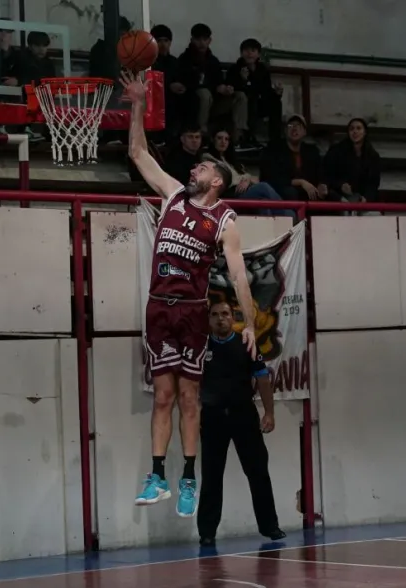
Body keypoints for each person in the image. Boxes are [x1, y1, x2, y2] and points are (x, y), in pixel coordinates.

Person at [122, 70, 258, 518]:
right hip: (158, 309)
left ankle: (188, 479)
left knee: (187, 398)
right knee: (162, 396)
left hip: (192, 313)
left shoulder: (224, 220)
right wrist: (138, 105)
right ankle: (157, 476)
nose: (194, 168)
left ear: (218, 181)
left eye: (203, 167)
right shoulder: (173, 195)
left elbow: (238, 275)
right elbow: (138, 153)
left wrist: (249, 323)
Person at [198, 302, 284, 546]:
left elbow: (262, 379)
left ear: (232, 317)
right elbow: (189, 385)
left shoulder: (246, 344)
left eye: (225, 314)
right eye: (215, 315)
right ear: (209, 320)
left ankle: (270, 527)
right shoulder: (201, 348)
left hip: (243, 415)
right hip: (213, 417)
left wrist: (269, 413)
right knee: (211, 476)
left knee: (258, 471)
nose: (220, 319)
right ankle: (207, 532)